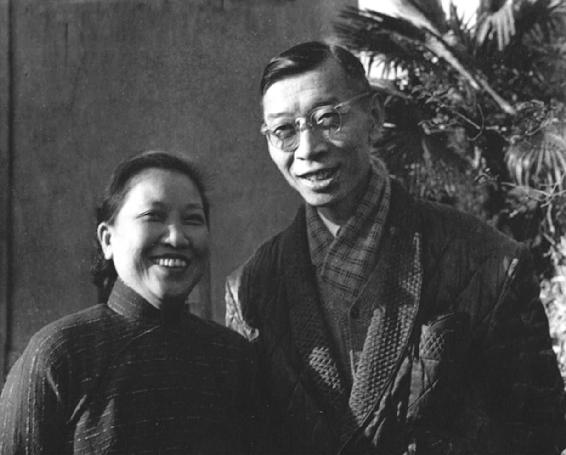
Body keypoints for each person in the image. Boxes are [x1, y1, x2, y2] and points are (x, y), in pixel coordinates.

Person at [225, 41, 566, 454]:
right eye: (284, 131)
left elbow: (540, 434)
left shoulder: (490, 261)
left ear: (374, 116)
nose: (308, 148)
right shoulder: (251, 288)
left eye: (328, 118)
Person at [0, 150, 256, 454]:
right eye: (153, 216)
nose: (177, 238)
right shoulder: (58, 355)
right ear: (107, 240)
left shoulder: (233, 357)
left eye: (192, 219)